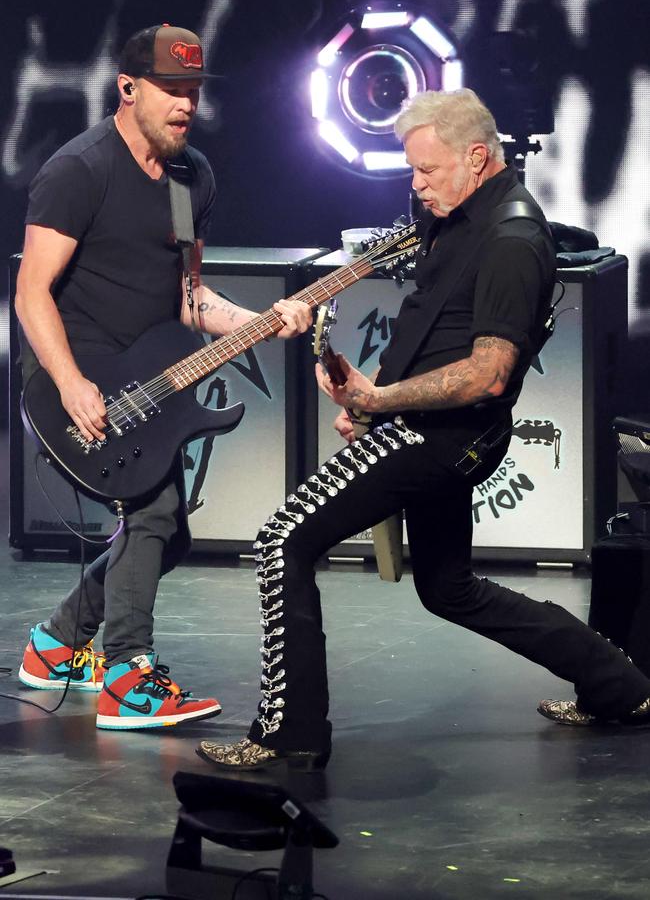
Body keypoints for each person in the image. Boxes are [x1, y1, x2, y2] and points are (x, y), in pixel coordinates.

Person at [196, 88, 650, 771]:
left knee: (281, 538)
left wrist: (380, 399)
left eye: (426, 171)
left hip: (440, 441)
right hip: (418, 426)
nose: (416, 185)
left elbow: (489, 374)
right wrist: (367, 396)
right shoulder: (457, 215)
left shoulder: (514, 239)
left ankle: (290, 732)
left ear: (476, 157)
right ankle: (622, 687)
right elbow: (430, 324)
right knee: (449, 589)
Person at [15, 23, 312, 731]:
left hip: (154, 371)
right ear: (127, 88)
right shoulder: (79, 170)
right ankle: (127, 675)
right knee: (151, 514)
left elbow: (190, 298)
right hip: (77, 378)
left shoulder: (190, 178)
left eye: (192, 92)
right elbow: (30, 292)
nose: (185, 105)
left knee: (167, 534)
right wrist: (70, 382)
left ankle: (54, 645)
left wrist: (261, 320)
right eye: (170, 90)